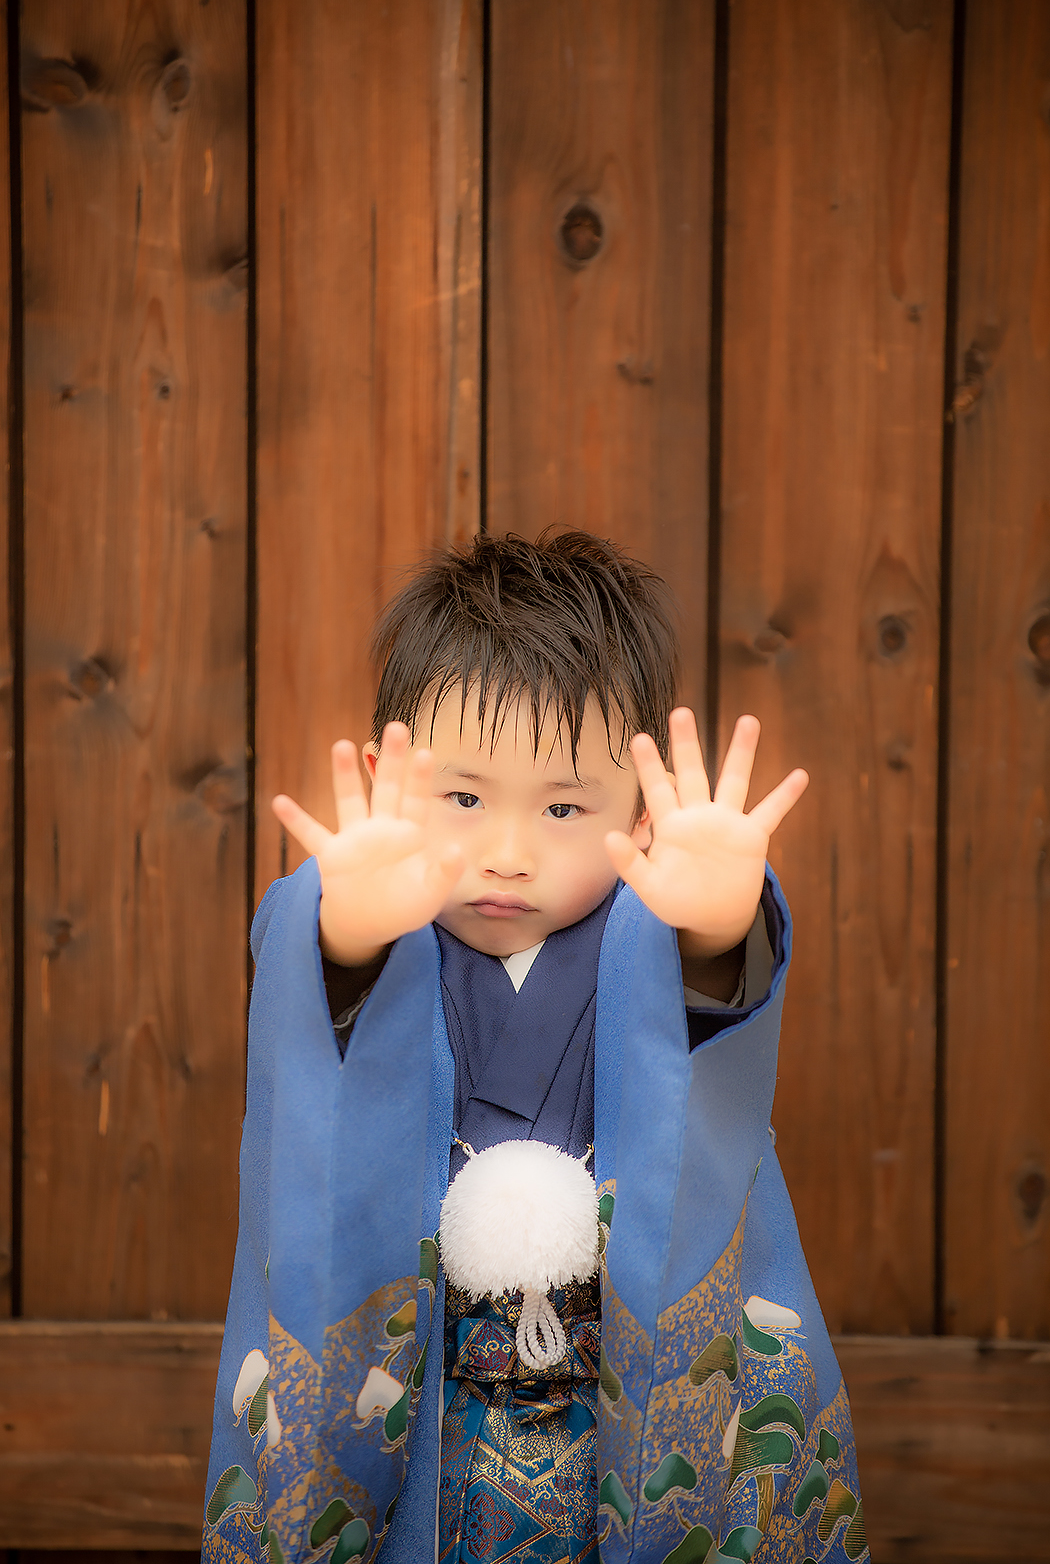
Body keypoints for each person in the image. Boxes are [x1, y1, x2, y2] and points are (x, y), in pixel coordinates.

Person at [203, 531, 868, 1564]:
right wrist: (344, 932)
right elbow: (309, 1005)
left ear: (642, 814)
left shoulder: (655, 929)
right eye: (463, 799)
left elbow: (713, 1008)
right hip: (430, 1393)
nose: (508, 854)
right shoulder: (370, 919)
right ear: (385, 775)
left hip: (612, 1414)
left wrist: (718, 924)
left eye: (564, 808)